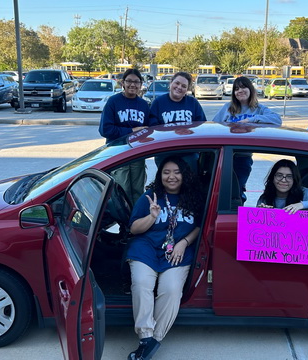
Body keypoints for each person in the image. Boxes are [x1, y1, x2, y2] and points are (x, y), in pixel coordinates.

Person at [125, 156, 203, 360]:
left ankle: (153, 340)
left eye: (176, 172)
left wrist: (184, 242)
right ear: (160, 175)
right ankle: (146, 338)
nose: (171, 176)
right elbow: (133, 229)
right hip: (147, 248)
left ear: (184, 175)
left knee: (171, 290)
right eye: (166, 172)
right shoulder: (150, 197)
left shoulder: (193, 197)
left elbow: (200, 227)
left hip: (178, 251)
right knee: (142, 284)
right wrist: (151, 216)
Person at [212, 76, 282, 203]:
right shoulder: (227, 108)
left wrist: (251, 120)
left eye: (243, 87)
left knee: (236, 191)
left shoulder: (259, 109)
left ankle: (235, 214)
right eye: (237, 88)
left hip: (242, 157)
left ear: (250, 89)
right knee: (220, 191)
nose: (240, 91)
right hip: (223, 156)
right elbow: (213, 127)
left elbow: (277, 120)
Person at [99, 68, 157, 205]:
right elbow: (105, 129)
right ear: (122, 83)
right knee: (122, 192)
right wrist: (131, 130)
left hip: (137, 153)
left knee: (138, 192)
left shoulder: (143, 104)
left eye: (137, 82)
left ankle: (136, 222)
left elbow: (149, 128)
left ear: (141, 84)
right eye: (129, 81)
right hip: (118, 152)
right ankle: (124, 225)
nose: (133, 85)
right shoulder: (113, 102)